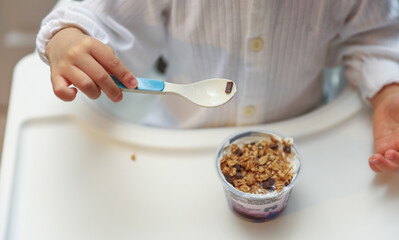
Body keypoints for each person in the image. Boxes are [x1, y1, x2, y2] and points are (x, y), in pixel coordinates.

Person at [36, 0, 399, 173]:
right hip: (180, 139)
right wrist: (68, 36)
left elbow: (372, 35)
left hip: (302, 139)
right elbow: (101, 13)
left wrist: (388, 90)